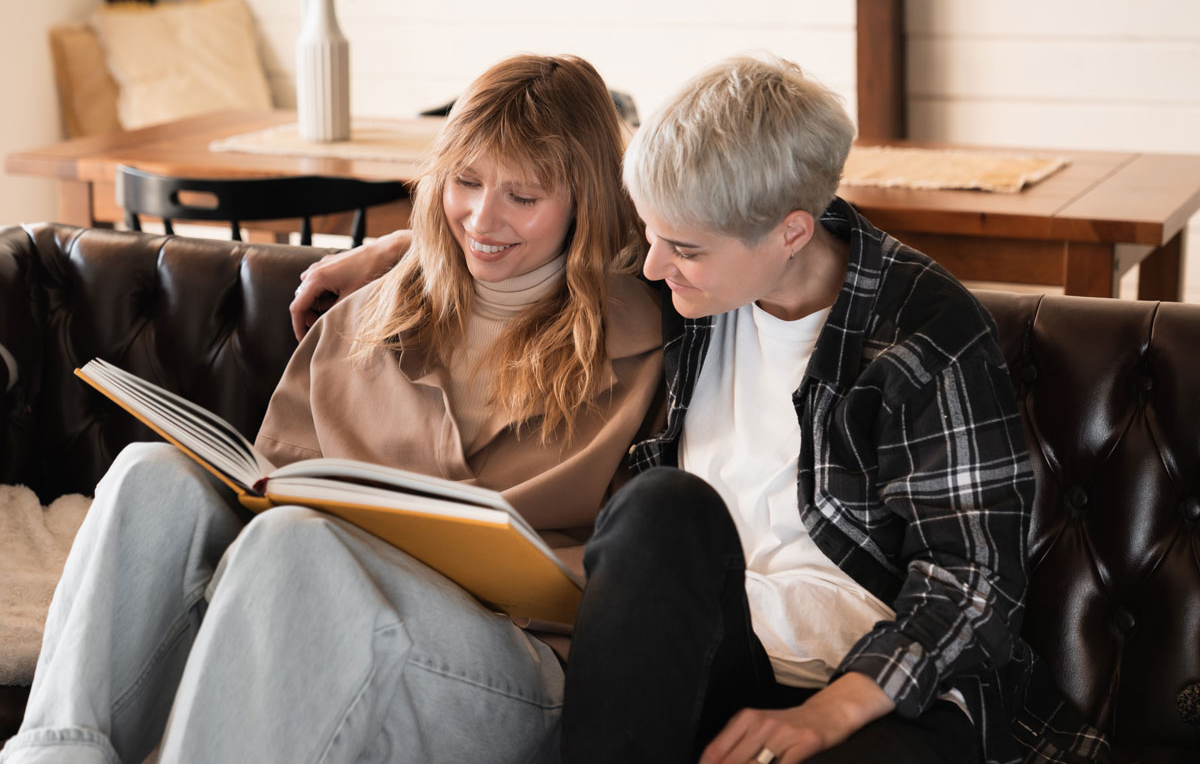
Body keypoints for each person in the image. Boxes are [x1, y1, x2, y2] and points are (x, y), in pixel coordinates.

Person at [288, 54, 1108, 764]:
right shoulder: (687, 272)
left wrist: (826, 715)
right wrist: (388, 253)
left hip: (875, 684)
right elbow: (544, 217)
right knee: (661, 508)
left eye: (681, 248)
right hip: (710, 651)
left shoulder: (926, 333)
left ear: (793, 231)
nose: (650, 264)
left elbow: (974, 585)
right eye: (650, 235)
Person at [0, 54, 663, 764]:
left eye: (523, 198)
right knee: (148, 473)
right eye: (464, 182)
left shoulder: (645, 341)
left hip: (507, 666)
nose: (481, 218)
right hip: (320, 628)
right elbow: (272, 491)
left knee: (298, 546)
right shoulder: (368, 316)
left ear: (585, 201)